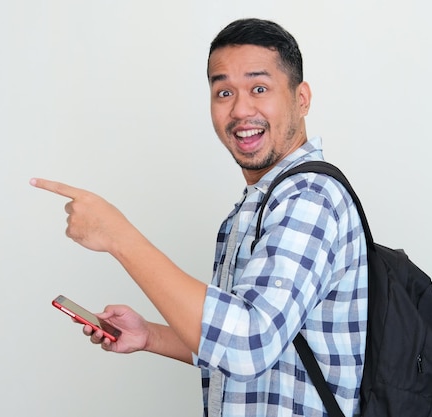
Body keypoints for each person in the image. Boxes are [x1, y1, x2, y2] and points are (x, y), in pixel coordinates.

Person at [31, 18, 368, 417]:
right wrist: (150, 336)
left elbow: (247, 346)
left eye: (259, 88)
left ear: (302, 98)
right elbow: (249, 338)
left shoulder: (309, 197)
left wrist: (118, 237)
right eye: (224, 91)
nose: (241, 109)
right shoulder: (259, 204)